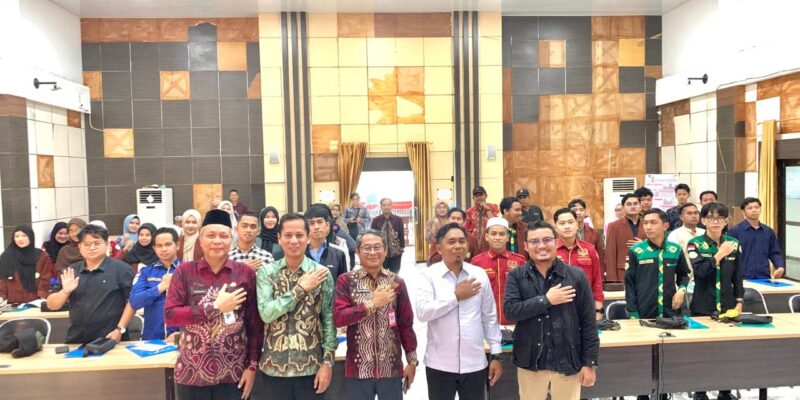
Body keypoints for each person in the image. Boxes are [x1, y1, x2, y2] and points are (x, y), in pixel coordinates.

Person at [164, 209, 263, 400]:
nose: (217, 241)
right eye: (211, 235)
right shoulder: (184, 272)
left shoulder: (245, 273)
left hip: (234, 374)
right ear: (200, 240)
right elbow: (171, 315)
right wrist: (214, 307)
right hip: (192, 374)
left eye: (223, 236)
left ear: (231, 240)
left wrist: (252, 366)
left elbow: (254, 325)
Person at [504, 220, 599, 400]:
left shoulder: (576, 276)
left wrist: (590, 363)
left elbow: (588, 322)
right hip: (530, 363)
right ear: (526, 246)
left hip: (568, 360)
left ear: (556, 242)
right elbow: (510, 311)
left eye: (547, 240)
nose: (541, 246)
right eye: (534, 241)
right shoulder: (517, 275)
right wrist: (546, 300)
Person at [416, 223, 503, 400]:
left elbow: (489, 317)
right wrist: (455, 297)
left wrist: (496, 354)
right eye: (451, 242)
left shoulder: (479, 274)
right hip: (439, 364)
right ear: (439, 248)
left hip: (475, 363)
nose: (458, 246)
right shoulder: (428, 275)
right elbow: (423, 312)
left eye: (462, 241)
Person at [255, 213, 336, 400]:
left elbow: (329, 320)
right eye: (288, 235)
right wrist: (299, 290)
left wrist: (327, 363)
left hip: (312, 367)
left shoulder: (321, 274)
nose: (294, 241)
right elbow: (266, 313)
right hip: (274, 367)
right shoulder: (267, 273)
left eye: (299, 235)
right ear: (279, 238)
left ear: (308, 238)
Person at [333, 230, 418, 400]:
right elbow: (339, 317)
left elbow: (405, 324)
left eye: (377, 247)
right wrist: (372, 304)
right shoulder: (346, 281)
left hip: (391, 368)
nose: (372, 252)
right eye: (367, 248)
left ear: (385, 251)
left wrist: (412, 361)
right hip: (358, 369)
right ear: (358, 252)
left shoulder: (396, 282)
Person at [688, 202, 743, 400]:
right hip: (703, 304)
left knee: (727, 351)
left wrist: (739, 301)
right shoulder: (694, 244)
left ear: (726, 221)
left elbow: (737, 276)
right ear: (703, 220)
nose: (715, 222)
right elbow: (700, 272)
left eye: (720, 218)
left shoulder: (734, 243)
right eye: (710, 218)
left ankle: (725, 391)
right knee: (702, 353)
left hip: (728, 305)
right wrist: (719, 255)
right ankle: (700, 392)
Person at [46, 224, 136, 344]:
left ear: (107, 244)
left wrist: (120, 329)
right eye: (86, 244)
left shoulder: (122, 269)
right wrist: (65, 291)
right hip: (77, 339)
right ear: (79, 246)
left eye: (96, 243)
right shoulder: (71, 271)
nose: (92, 248)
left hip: (111, 338)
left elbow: (132, 302)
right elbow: (52, 305)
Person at [625, 209, 690, 319]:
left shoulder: (675, 250)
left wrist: (682, 290)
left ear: (665, 226)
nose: (648, 227)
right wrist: (632, 312)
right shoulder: (636, 251)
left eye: (653, 223)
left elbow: (683, 275)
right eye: (645, 223)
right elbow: (629, 284)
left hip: (671, 309)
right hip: (644, 309)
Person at [469, 217, 525, 325]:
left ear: (507, 237)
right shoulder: (477, 262)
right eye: (493, 234)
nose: (497, 238)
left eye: (502, 234)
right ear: (486, 236)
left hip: (514, 322)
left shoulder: (519, 261)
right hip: (486, 322)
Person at [129, 227, 181, 341]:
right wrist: (160, 287)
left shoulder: (189, 271)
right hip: (152, 338)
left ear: (177, 245)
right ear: (154, 248)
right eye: (159, 246)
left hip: (183, 338)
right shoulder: (146, 272)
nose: (164, 249)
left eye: (168, 244)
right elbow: (135, 301)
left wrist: (182, 334)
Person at [553, 208, 604, 320]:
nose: (567, 226)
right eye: (562, 223)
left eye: (570, 222)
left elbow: (597, 281)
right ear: (556, 227)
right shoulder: (550, 250)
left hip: (585, 305)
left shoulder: (589, 249)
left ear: (577, 225)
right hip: (557, 308)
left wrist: (598, 310)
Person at [729, 197, 785, 280]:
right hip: (742, 278)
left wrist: (780, 266)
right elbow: (730, 257)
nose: (754, 210)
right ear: (743, 212)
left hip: (764, 277)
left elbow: (774, 252)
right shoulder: (734, 232)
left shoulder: (768, 231)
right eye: (750, 208)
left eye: (756, 207)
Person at [0, 225, 52, 304]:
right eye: (17, 236)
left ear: (30, 237)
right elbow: (2, 279)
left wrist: (42, 294)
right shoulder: (6, 256)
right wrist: (2, 296)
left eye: (24, 235)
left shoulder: (41, 255)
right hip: (13, 301)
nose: (20, 239)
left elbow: (45, 277)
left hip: (36, 300)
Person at [605, 193, 646, 282]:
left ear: (640, 206)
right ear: (623, 208)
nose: (632, 206)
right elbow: (610, 253)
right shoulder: (614, 226)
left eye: (635, 204)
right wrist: (612, 279)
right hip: (623, 271)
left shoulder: (647, 224)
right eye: (629, 204)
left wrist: (644, 245)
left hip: (645, 269)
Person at [306, 206, 348, 282]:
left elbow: (343, 284)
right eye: (311, 223)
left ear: (328, 225)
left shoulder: (338, 253)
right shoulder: (300, 253)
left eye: (320, 222)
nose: (316, 227)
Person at [666, 203, 705, 275]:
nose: (694, 216)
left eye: (696, 213)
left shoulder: (704, 233)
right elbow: (673, 258)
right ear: (681, 217)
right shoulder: (675, 235)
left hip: (705, 275)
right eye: (689, 213)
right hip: (685, 276)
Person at [371, 198, 405, 274]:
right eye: (384, 205)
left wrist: (402, 248)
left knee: (395, 274)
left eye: (388, 205)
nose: (386, 207)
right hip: (380, 253)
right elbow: (373, 236)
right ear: (381, 207)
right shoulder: (376, 220)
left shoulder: (398, 219)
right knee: (381, 274)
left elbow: (401, 234)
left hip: (396, 252)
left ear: (391, 206)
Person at [568, 198, 604, 266]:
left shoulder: (594, 233)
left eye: (581, 210)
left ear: (585, 212)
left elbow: (600, 255)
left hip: (590, 268)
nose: (578, 213)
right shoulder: (564, 232)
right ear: (569, 212)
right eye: (575, 210)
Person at [330, 202, 357, 269]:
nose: (335, 212)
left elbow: (346, 234)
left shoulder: (341, 221)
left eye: (337, 210)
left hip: (346, 248)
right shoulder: (327, 222)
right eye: (333, 209)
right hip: (334, 250)